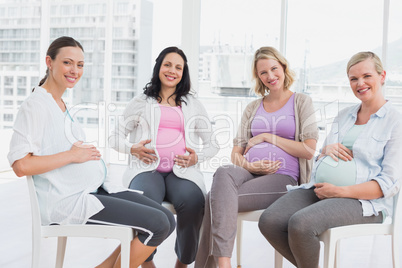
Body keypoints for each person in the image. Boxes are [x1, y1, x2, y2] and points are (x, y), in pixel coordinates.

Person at [7, 36, 176, 268]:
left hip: (92, 190)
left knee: (167, 219)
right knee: (158, 224)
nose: (75, 70)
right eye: (68, 63)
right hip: (69, 201)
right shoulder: (35, 105)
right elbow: (21, 165)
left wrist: (82, 155)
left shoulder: (60, 103)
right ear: (49, 62)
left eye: (80, 65)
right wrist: (73, 155)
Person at [258, 51, 402, 268]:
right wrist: (325, 150)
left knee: (301, 224)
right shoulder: (344, 116)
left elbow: (388, 183)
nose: (360, 83)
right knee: (269, 221)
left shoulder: (395, 120)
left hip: (365, 202)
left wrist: (341, 192)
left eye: (367, 76)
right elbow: (320, 161)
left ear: (382, 76)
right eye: (353, 79)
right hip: (321, 188)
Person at [194, 46, 319, 268]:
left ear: (283, 67)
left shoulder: (301, 102)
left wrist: (268, 137)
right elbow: (236, 153)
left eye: (274, 69)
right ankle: (225, 264)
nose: (270, 76)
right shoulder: (253, 107)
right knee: (223, 172)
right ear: (258, 77)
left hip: (284, 177)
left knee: (213, 200)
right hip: (249, 171)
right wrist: (252, 165)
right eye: (263, 73)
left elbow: (309, 150)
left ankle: (218, 265)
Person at [109, 46, 219, 268]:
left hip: (182, 171)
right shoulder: (141, 102)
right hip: (146, 169)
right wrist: (134, 149)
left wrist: (195, 158)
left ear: (183, 73)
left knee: (193, 201)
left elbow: (213, 144)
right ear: (159, 66)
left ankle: (183, 262)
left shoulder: (192, 104)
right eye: (167, 64)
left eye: (178, 67)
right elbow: (115, 137)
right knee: (145, 201)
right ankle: (146, 262)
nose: (172, 71)